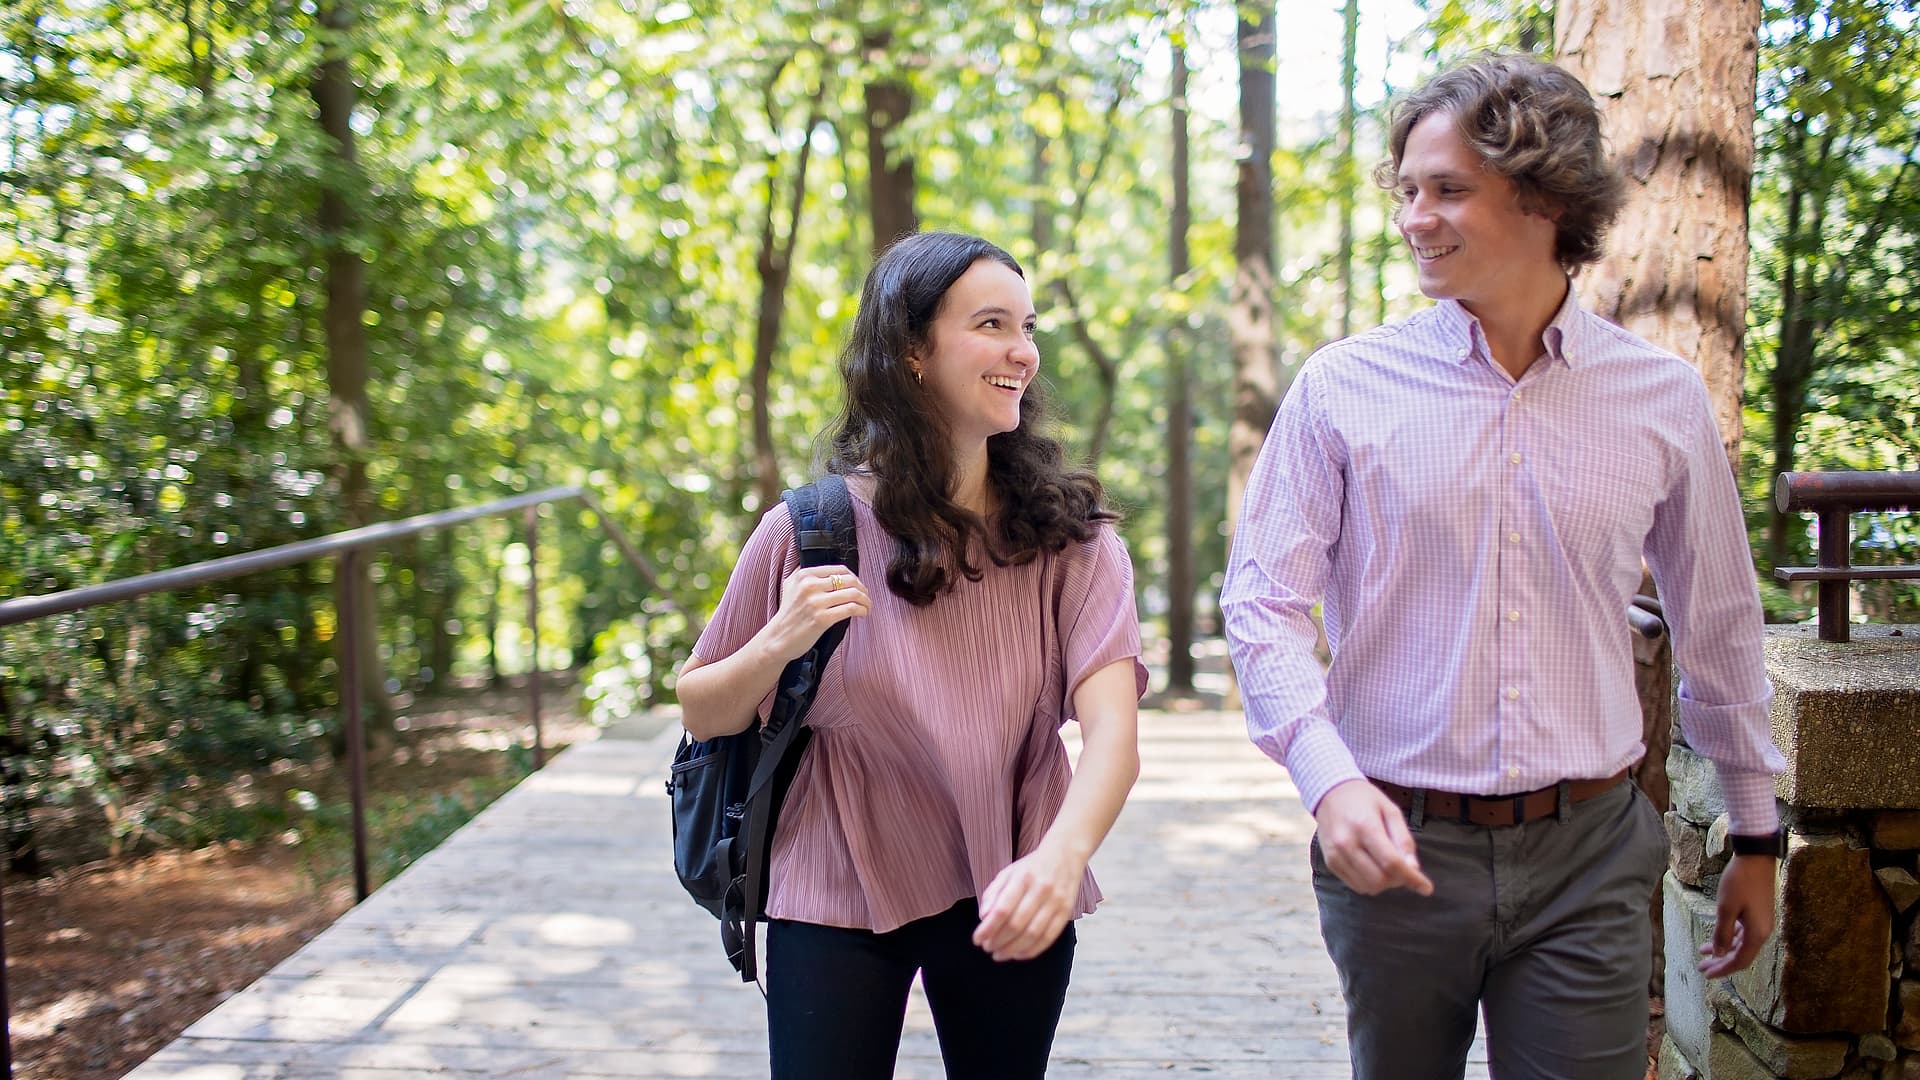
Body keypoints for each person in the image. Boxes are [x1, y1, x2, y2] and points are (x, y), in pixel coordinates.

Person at [1220, 54, 1789, 1079]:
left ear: (1542, 195)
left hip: (1591, 852)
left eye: (1447, 190)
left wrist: (1757, 835)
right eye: (1405, 192)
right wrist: (1326, 779)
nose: (1414, 218)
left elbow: (1719, 626)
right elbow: (1261, 606)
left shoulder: (1659, 400)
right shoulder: (1343, 388)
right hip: (1395, 846)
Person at [676, 231, 1146, 1080]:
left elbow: (1114, 735)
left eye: (1028, 326)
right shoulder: (809, 531)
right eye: (992, 324)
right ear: (911, 354)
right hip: (836, 873)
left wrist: (1061, 858)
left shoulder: (1073, 542)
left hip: (1014, 866)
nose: (1023, 351)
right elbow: (703, 709)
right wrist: (780, 642)